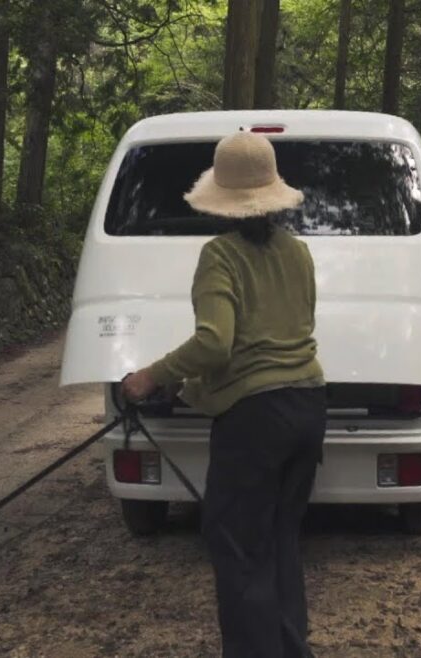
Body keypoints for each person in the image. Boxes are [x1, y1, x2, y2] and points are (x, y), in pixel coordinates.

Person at [122, 130, 326, 658]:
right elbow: (280, 336)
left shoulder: (221, 255)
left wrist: (152, 376)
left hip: (256, 423)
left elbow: (217, 343)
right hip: (308, 407)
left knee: (237, 548)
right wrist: (199, 390)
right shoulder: (298, 253)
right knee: (281, 539)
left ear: (221, 202)